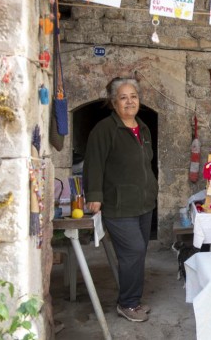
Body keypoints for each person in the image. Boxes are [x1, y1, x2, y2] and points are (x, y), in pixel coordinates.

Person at [83, 77, 158, 323]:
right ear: (114, 102)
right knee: (133, 251)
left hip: (144, 202)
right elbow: (94, 163)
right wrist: (94, 195)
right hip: (118, 203)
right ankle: (127, 303)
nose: (129, 101)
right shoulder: (104, 129)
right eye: (123, 97)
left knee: (138, 252)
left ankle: (133, 300)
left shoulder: (143, 128)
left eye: (133, 96)